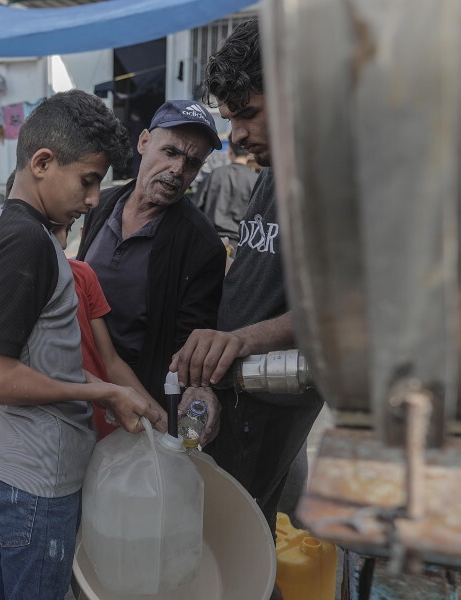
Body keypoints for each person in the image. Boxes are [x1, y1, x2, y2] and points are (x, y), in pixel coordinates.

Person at [0, 89, 164, 600]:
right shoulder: (26, 243)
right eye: (88, 180)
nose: (95, 199)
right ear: (42, 162)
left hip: (26, 475)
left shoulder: (15, 233)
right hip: (34, 487)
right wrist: (100, 392)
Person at [172, 18, 325, 533]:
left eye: (249, 114)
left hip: (269, 398)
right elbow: (254, 270)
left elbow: (339, 311)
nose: (235, 134)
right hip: (230, 390)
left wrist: (238, 340)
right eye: (230, 117)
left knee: (235, 541)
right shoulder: (273, 172)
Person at [76, 100, 226, 436]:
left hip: (136, 406)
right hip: (77, 386)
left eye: (191, 163)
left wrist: (167, 422)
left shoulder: (200, 245)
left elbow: (188, 349)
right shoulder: (101, 204)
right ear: (144, 142)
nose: (177, 170)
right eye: (170, 151)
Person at [54, 219, 159, 440]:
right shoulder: (4, 290)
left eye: (68, 228)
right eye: (52, 231)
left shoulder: (82, 275)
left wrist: (161, 419)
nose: (63, 243)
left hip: (99, 426)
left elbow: (109, 360)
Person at [193, 140, 259, 255]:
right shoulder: (255, 180)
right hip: (240, 245)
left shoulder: (216, 173)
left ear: (230, 151)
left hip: (210, 240)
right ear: (249, 153)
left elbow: (195, 207)